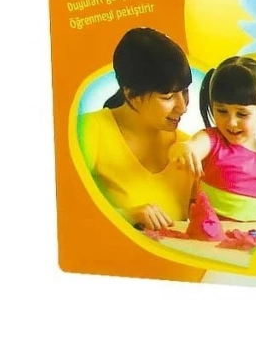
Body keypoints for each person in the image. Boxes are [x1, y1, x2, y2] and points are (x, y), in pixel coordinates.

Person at [78, 28, 194, 231]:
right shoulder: (90, 130)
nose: (182, 107)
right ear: (131, 94)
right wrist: (127, 216)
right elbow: (67, 210)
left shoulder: (188, 147)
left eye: (185, 92)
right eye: (167, 97)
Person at [169, 56, 256, 222]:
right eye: (222, 111)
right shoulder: (212, 140)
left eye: (242, 114)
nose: (231, 122)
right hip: (209, 236)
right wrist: (185, 149)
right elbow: (192, 146)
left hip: (253, 237)